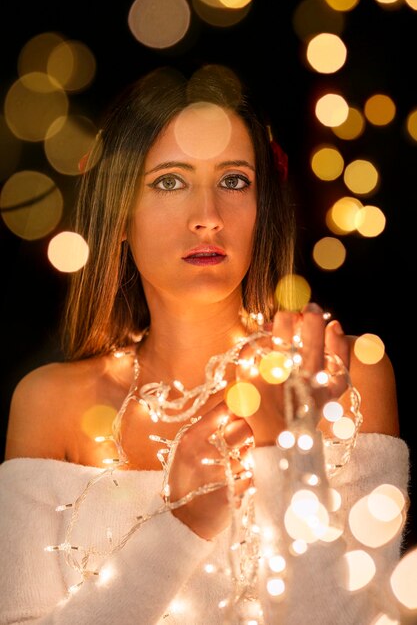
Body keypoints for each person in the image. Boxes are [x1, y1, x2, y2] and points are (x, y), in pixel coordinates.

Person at [0, 63, 410, 625]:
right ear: (118, 211)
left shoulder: (346, 375)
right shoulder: (51, 405)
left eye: (234, 180)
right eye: (170, 180)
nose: (208, 217)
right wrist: (185, 523)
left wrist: (289, 452)